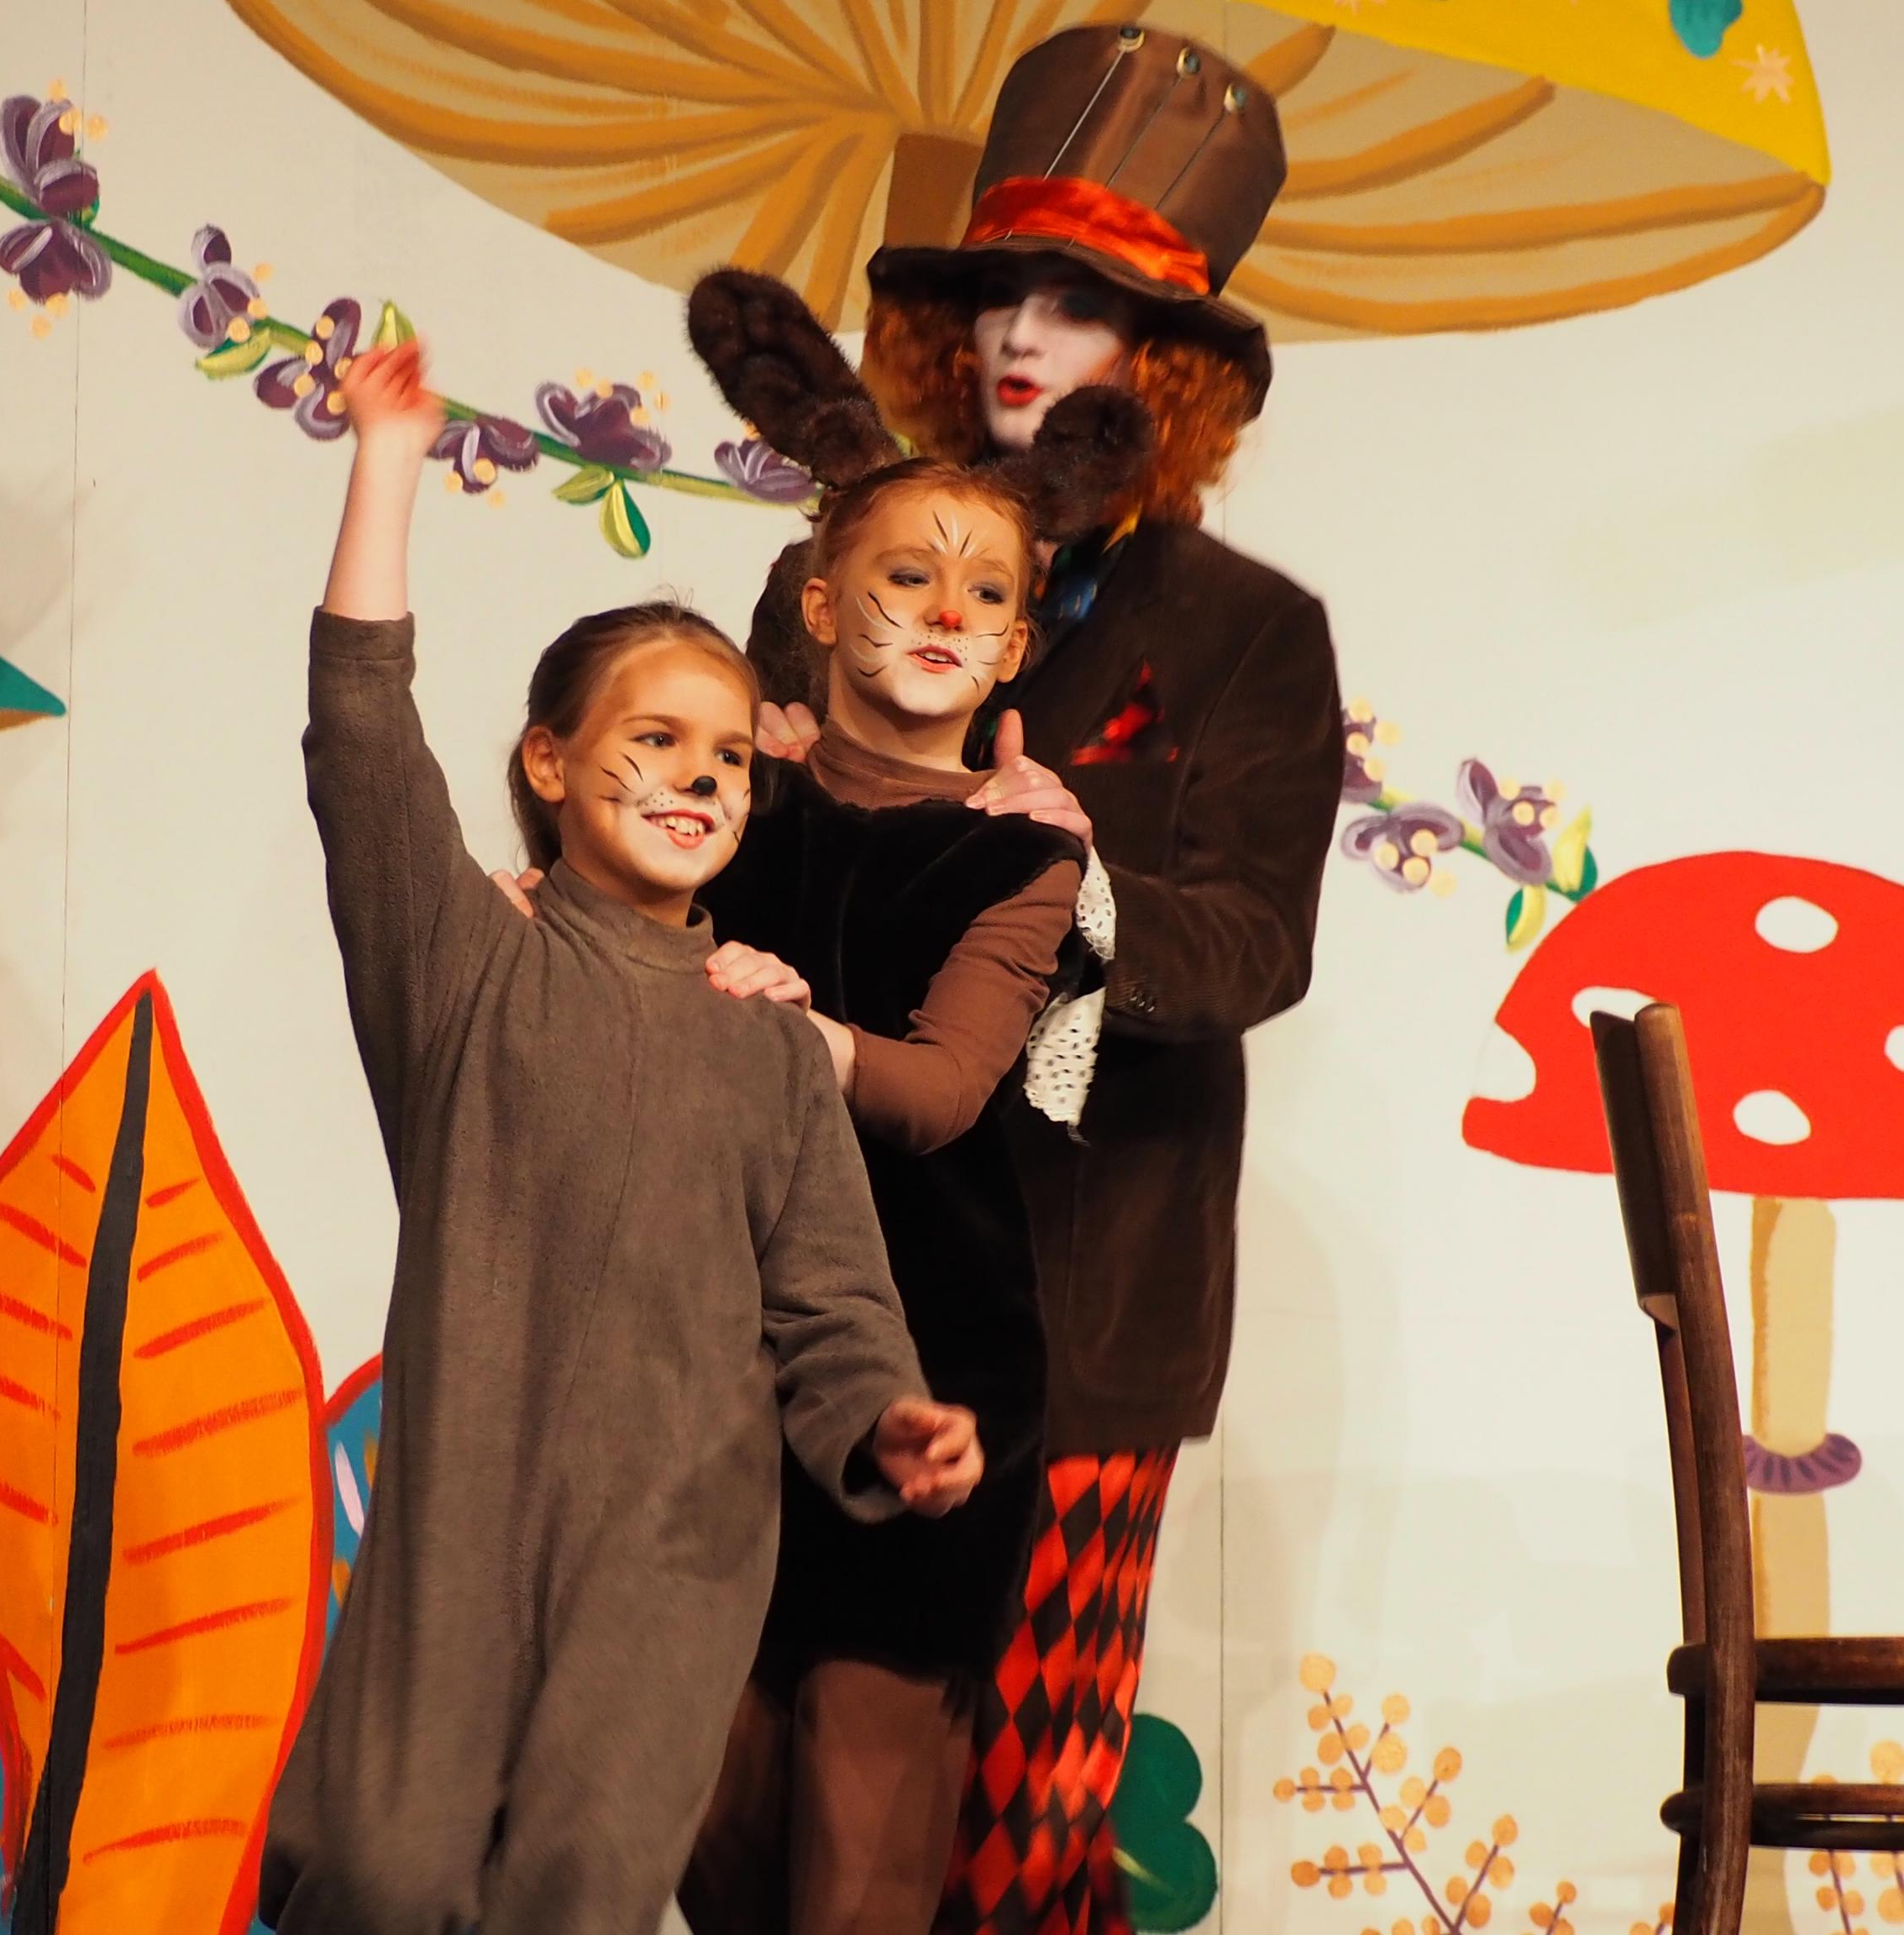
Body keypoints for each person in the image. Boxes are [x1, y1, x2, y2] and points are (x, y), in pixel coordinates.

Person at [259, 337, 986, 1935]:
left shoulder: (766, 1038)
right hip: (465, 1521)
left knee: (582, 1885)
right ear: (552, 761)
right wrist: (387, 460)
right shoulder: (469, 964)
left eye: (726, 759)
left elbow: (832, 1303)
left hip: (679, 1549)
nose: (696, 780)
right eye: (655, 741)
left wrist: (890, 1420)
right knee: (384, 1874)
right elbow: (363, 738)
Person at [745, 26, 1350, 1933]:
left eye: (1078, 308)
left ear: (1160, 366)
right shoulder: (834, 583)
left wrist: (1067, 872)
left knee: (1012, 1831)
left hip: (1079, 1309)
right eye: (1001, 294)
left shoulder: (1247, 632)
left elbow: (1250, 946)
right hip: (816, 1279)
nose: (1021, 334)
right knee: (768, 1807)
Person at [671, 270, 1152, 1935]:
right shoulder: (733, 801)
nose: (943, 610)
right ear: (819, 602)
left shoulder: (1021, 851)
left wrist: (794, 1029)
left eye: (984, 592)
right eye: (904, 575)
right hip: (716, 1370)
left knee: (859, 1843)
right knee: (715, 1833)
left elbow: (947, 1091)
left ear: (1016, 644)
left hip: (934, 1369)